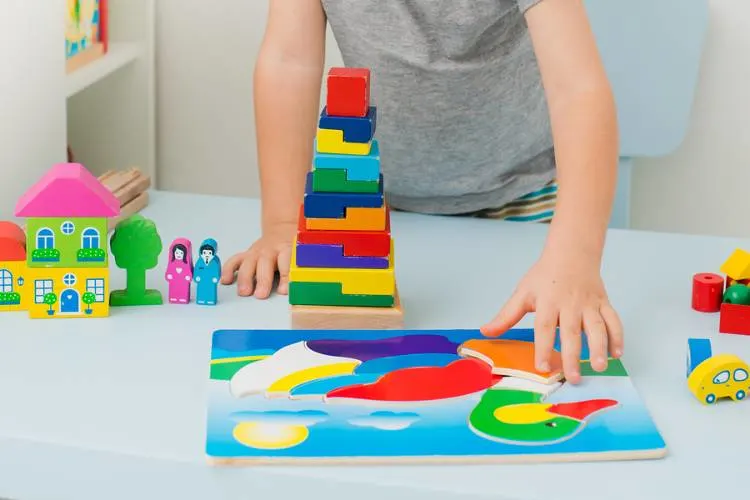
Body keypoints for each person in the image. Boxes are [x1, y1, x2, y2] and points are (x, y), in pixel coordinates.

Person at [220, 0, 623, 383]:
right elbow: (288, 63)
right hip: (376, 209)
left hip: (521, 201)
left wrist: (575, 255)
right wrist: (283, 222)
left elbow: (578, 89)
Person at [165, 238, 194, 304]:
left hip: (183, 281)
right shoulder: (172, 263)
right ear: (173, 253)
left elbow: (189, 271)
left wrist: (188, 276)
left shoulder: (186, 264)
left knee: (183, 289)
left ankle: (183, 298)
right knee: (174, 288)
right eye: (177, 252)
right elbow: (169, 270)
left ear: (185, 254)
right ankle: (174, 298)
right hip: (174, 281)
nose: (178, 254)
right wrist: (169, 276)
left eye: (181, 253)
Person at [195, 239, 221, 305]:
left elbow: (217, 270)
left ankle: (210, 300)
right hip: (202, 280)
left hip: (210, 281)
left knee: (210, 290)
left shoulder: (215, 262)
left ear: (214, 252)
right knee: (201, 290)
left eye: (209, 253)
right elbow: (196, 270)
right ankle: (201, 299)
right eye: (204, 253)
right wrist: (196, 277)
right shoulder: (199, 261)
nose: (207, 255)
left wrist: (216, 278)